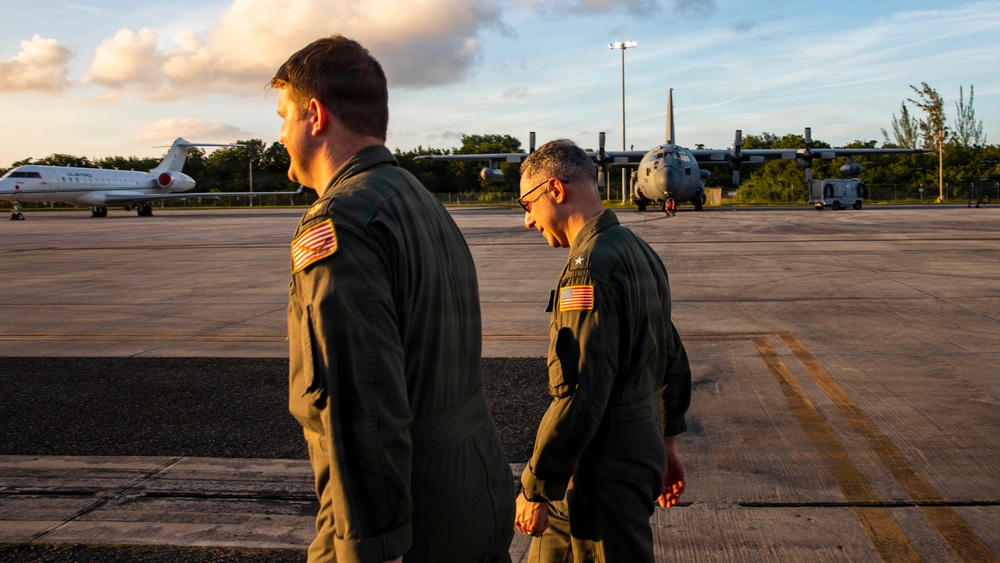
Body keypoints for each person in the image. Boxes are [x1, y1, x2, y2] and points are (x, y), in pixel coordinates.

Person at [272, 35, 515, 563]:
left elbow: (357, 403)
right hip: (475, 491)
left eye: (283, 116)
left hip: (409, 517)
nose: (280, 134)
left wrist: (370, 544)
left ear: (315, 115)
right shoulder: (418, 198)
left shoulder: (343, 221)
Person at [513, 139, 692, 562]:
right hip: (630, 454)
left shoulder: (589, 270)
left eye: (527, 204)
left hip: (600, 468)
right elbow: (673, 359)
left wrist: (536, 487)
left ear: (556, 191)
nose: (527, 221)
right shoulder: (639, 252)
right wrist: (665, 445)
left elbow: (581, 393)